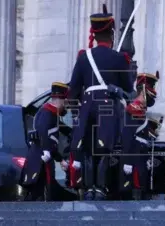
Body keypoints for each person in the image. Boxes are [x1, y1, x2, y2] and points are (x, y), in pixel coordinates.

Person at [68, 5, 134, 200]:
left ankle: (89, 189)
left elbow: (72, 92)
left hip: (87, 105)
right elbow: (129, 91)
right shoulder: (120, 58)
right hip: (107, 105)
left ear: (94, 34)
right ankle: (101, 188)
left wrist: (76, 114)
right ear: (111, 33)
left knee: (88, 149)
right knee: (104, 149)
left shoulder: (83, 58)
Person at [21, 82, 69, 201]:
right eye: (66, 101)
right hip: (40, 160)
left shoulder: (51, 113)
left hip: (44, 159)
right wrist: (47, 151)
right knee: (38, 193)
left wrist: (60, 159)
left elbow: (52, 141)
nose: (67, 105)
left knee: (43, 193)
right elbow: (44, 133)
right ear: (61, 99)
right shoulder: (47, 113)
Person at [119, 72, 159, 200]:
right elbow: (127, 137)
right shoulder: (133, 109)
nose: (153, 95)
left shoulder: (140, 111)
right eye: (150, 91)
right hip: (133, 160)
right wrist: (127, 161)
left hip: (141, 159)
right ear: (143, 91)